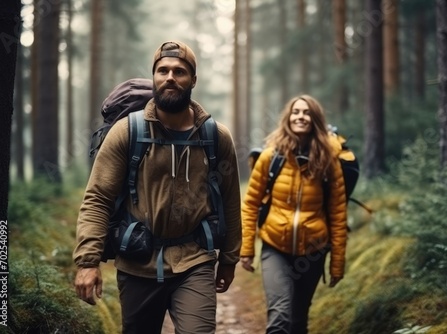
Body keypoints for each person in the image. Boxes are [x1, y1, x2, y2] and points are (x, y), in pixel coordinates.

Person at [73, 41, 242, 333]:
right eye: (162, 70)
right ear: (153, 78)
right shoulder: (127, 131)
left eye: (180, 71)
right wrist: (88, 260)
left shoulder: (216, 136)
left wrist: (229, 259)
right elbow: (98, 198)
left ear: (193, 80)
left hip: (195, 259)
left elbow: (230, 201)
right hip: (138, 262)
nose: (170, 77)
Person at [240, 95, 348, 334]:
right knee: (279, 317)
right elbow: (250, 204)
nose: (301, 116)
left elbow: (339, 215)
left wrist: (337, 264)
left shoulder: (329, 161)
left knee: (298, 321)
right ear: (288, 118)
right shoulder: (271, 156)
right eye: (296, 112)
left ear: (315, 119)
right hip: (274, 247)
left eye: (307, 112)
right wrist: (247, 249)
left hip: (313, 252)